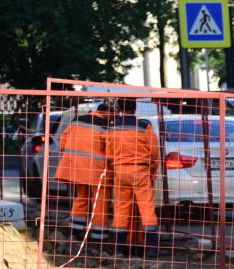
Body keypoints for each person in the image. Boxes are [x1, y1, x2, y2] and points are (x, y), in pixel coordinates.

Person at [54, 102, 115, 251]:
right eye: (112, 115)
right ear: (106, 112)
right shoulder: (106, 126)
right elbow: (111, 149)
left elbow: (63, 140)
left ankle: (75, 231)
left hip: (77, 169)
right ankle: (99, 238)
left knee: (81, 198)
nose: (113, 119)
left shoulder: (77, 121)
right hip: (98, 171)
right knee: (100, 203)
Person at [105, 98, 161, 258]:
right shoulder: (144, 126)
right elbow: (154, 151)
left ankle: (119, 249)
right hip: (140, 170)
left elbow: (108, 154)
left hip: (120, 171)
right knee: (147, 208)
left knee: (121, 210)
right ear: (135, 108)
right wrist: (152, 170)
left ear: (119, 108)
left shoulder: (112, 128)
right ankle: (151, 248)